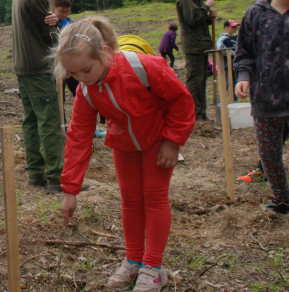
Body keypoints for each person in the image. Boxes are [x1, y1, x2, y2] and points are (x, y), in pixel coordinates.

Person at [56, 17, 194, 292]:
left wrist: (173, 140)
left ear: (104, 53)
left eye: (86, 70)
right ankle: (133, 259)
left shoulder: (145, 67)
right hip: (124, 143)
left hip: (157, 139)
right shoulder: (86, 90)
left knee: (154, 198)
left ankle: (154, 267)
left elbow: (181, 100)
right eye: (75, 74)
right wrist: (70, 189)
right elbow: (79, 137)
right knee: (130, 200)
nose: (82, 78)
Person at [234, 0, 289, 216]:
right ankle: (283, 201)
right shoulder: (255, 13)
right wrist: (243, 78)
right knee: (269, 155)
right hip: (265, 98)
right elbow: (244, 53)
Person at [12, 0, 75, 193]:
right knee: (49, 120)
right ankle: (56, 177)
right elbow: (49, 36)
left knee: (30, 119)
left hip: (24, 68)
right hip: (39, 68)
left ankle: (35, 174)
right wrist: (60, 37)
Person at [176, 0, 217, 122]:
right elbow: (192, 19)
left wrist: (208, 18)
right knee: (195, 79)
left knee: (201, 79)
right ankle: (193, 115)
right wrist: (207, 6)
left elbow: (199, 20)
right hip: (193, 46)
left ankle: (201, 113)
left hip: (201, 44)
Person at [45, 0, 78, 97]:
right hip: (57, 66)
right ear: (54, 7)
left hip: (73, 65)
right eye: (61, 11)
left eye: (67, 11)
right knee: (59, 96)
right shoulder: (50, 24)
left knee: (78, 92)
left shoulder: (72, 23)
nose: (64, 14)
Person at [216, 19, 239, 103]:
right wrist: (233, 53)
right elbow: (220, 48)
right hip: (226, 64)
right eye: (232, 27)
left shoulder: (236, 37)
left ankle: (235, 101)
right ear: (226, 28)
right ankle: (220, 102)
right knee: (225, 84)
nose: (234, 28)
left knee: (235, 83)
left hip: (235, 64)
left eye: (235, 27)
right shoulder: (223, 38)